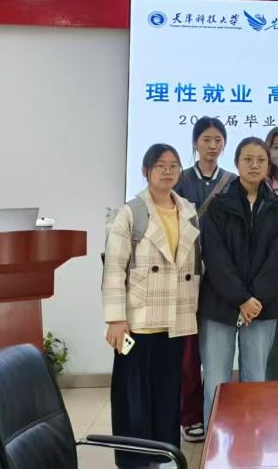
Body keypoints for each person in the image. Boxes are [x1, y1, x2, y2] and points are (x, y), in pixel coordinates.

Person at [103, 144, 200, 468]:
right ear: (146, 171)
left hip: (174, 318)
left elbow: (194, 265)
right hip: (138, 319)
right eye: (160, 165)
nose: (168, 171)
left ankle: (164, 454)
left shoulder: (188, 210)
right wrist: (116, 319)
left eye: (174, 165)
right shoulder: (130, 212)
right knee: (132, 396)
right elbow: (114, 268)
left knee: (167, 393)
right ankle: (133, 460)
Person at [199, 137, 278, 426]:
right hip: (220, 303)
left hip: (262, 305)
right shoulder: (218, 206)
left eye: (260, 160)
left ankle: (253, 441)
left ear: (268, 165)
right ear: (236, 163)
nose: (254, 165)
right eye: (247, 159)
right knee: (216, 379)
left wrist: (254, 299)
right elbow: (215, 258)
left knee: (256, 378)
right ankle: (215, 441)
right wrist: (241, 298)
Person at [174, 116, 233, 444]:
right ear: (195, 143)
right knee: (187, 355)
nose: (212, 146)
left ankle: (216, 411)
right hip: (185, 277)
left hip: (219, 278)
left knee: (215, 352)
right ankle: (191, 416)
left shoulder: (232, 181)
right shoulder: (180, 180)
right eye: (206, 139)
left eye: (218, 140)